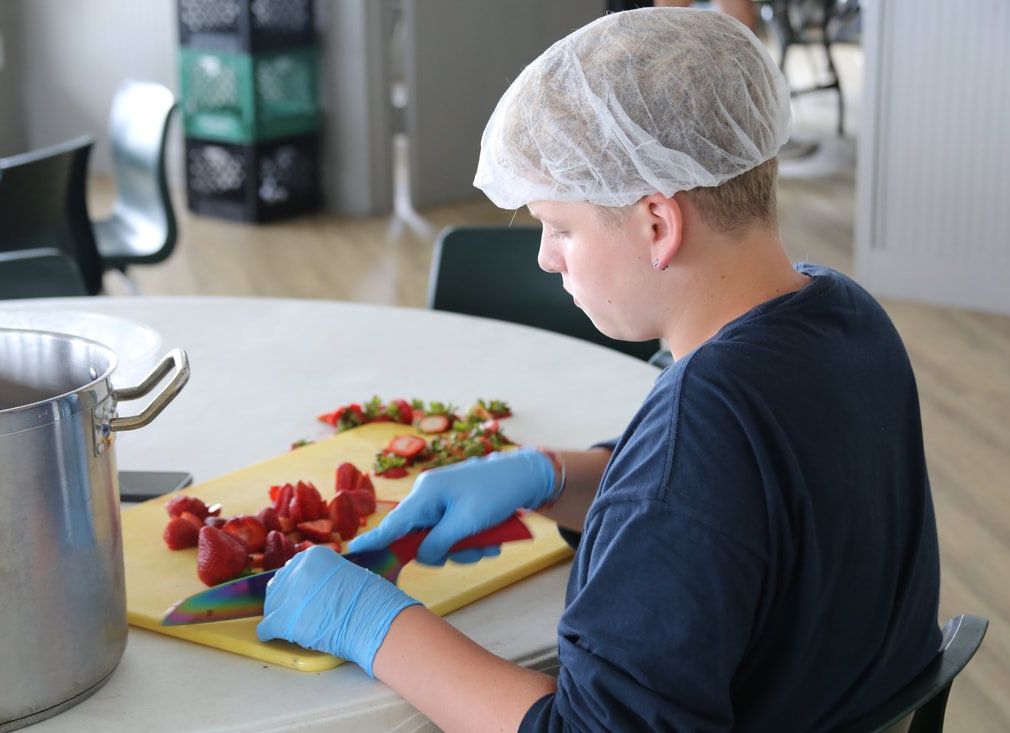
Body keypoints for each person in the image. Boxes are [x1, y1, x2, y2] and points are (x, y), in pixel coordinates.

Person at [256, 8, 942, 731]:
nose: (547, 257)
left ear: (657, 224)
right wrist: (556, 476)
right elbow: (737, 514)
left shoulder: (699, 426)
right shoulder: (848, 314)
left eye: (560, 228)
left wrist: (372, 625)